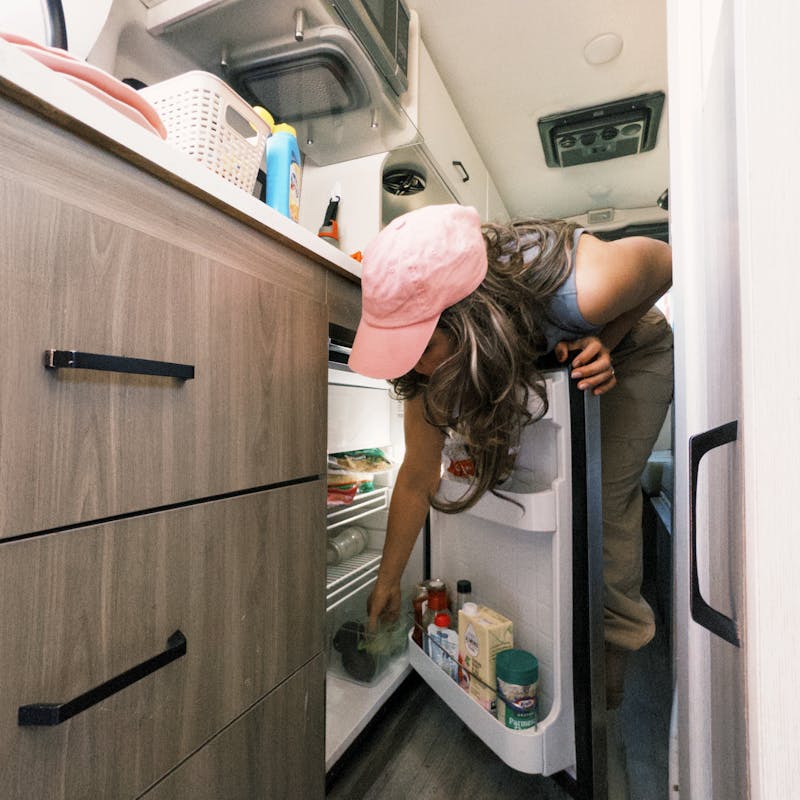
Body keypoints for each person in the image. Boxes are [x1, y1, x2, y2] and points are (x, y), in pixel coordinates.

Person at [348, 203, 673, 720]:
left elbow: (664, 261)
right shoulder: (427, 360)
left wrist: (603, 342)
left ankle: (605, 710)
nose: (414, 363)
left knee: (600, 508)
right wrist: (387, 582)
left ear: (468, 319)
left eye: (423, 346)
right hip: (537, 353)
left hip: (632, 352)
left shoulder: (585, 287)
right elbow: (417, 476)